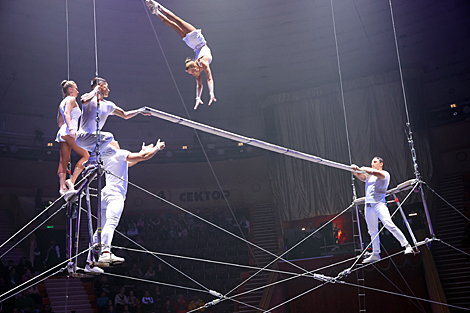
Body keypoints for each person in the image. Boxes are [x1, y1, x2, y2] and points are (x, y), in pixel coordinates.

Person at [84, 139, 166, 274]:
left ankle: (89, 262)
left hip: (104, 195)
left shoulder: (108, 156)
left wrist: (141, 152)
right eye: (114, 140)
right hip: (115, 195)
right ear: (111, 145)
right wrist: (157, 148)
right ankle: (105, 252)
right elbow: (143, 157)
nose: (117, 140)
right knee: (110, 224)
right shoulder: (119, 153)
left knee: (101, 228)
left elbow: (129, 163)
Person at [146, 1, 216, 110]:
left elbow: (199, 85)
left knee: (175, 24)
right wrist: (211, 93)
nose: (194, 74)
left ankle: (157, 10)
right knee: (176, 22)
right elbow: (209, 79)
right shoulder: (203, 62)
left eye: (191, 73)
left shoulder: (199, 68)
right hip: (196, 41)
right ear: (195, 66)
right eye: (193, 72)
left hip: (193, 44)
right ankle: (157, 9)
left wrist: (198, 98)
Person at [352, 157, 413, 263]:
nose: (372, 164)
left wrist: (362, 168)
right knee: (372, 231)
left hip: (379, 204)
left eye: (375, 162)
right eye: (371, 163)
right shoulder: (369, 176)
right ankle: (375, 253)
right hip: (369, 206)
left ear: (381, 164)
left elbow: (373, 172)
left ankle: (407, 245)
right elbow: (361, 177)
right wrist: (354, 170)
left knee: (389, 224)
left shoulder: (385, 174)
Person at [77, 77, 149, 165]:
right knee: (109, 136)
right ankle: (93, 159)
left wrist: (138, 111)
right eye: (107, 87)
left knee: (112, 151)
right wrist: (96, 90)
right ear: (102, 86)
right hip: (82, 136)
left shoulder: (109, 105)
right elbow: (84, 101)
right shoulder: (90, 98)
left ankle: (89, 163)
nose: (109, 90)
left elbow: (125, 115)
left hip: (93, 140)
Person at [56, 80, 90, 195]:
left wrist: (66, 127)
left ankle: (62, 187)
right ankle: (71, 181)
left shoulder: (62, 102)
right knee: (86, 156)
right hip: (69, 131)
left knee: (63, 160)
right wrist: (71, 128)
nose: (78, 91)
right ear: (70, 90)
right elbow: (66, 114)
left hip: (62, 132)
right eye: (76, 89)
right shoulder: (71, 99)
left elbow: (60, 122)